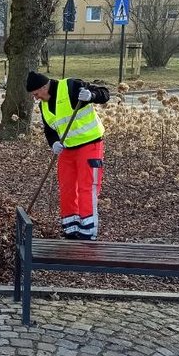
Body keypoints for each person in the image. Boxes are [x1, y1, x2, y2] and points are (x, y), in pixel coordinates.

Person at [26, 70, 110, 240]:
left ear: (44, 87)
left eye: (36, 94)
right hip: (67, 149)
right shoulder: (44, 105)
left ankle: (87, 232)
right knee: (67, 187)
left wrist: (91, 95)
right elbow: (50, 131)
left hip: (90, 144)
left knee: (86, 187)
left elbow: (105, 93)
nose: (36, 98)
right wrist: (54, 143)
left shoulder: (71, 86)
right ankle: (71, 228)